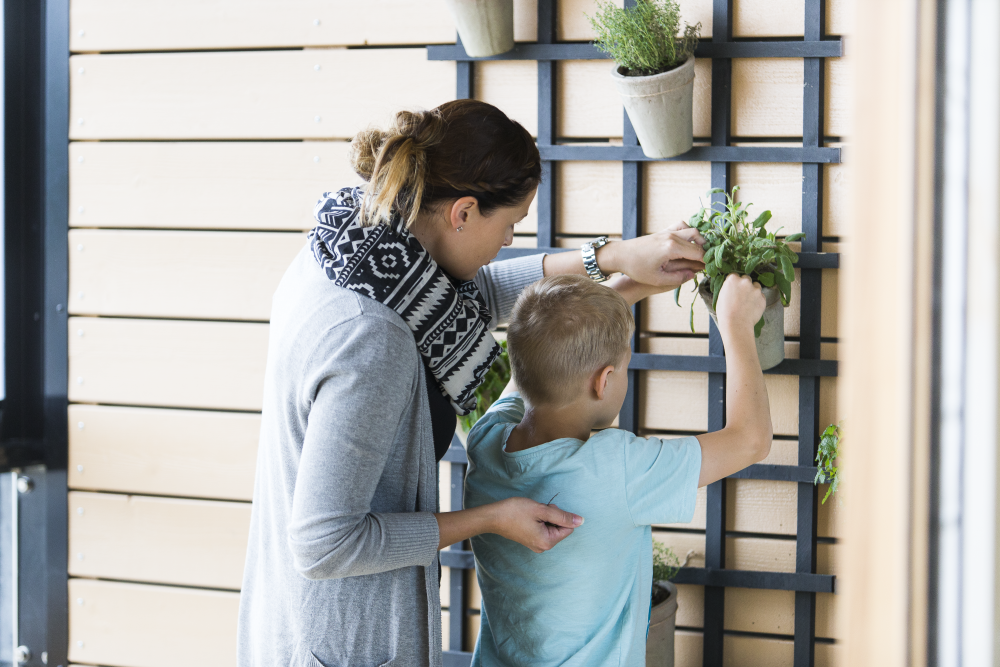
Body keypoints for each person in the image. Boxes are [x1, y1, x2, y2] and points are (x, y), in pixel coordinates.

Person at [237, 97, 710, 667]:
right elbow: (324, 542)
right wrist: (489, 518)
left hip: (293, 617)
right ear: (462, 213)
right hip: (341, 641)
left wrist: (616, 264)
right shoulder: (373, 339)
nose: (510, 240)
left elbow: (472, 296)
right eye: (509, 225)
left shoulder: (352, 248)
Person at [463, 272, 773, 667]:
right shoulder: (616, 468)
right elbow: (751, 439)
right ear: (605, 380)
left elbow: (532, 365)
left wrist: (627, 286)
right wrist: (736, 323)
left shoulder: (486, 440)